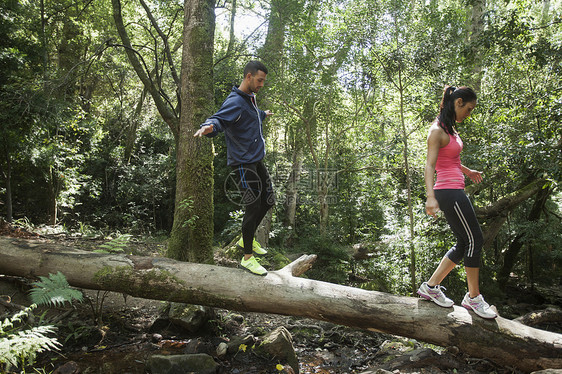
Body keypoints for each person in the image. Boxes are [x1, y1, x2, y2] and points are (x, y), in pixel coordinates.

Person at [416, 85, 497, 319]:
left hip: (455, 187)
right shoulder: (437, 130)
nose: (469, 114)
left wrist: (467, 170)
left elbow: (449, 157)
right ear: (458, 102)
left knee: (464, 243)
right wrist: (430, 197)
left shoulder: (449, 127)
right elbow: (430, 165)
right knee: (475, 239)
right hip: (448, 192)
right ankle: (473, 298)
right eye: (469, 109)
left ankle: (430, 287)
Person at [194, 60, 275, 276]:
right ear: (248, 77)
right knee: (253, 205)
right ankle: (247, 258)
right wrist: (209, 127)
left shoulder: (249, 100)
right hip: (243, 163)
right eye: (259, 80)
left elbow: (249, 117)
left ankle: (244, 238)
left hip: (256, 160)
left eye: (263, 81)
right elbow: (220, 120)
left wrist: (263, 115)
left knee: (269, 201)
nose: (261, 85)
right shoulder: (235, 101)